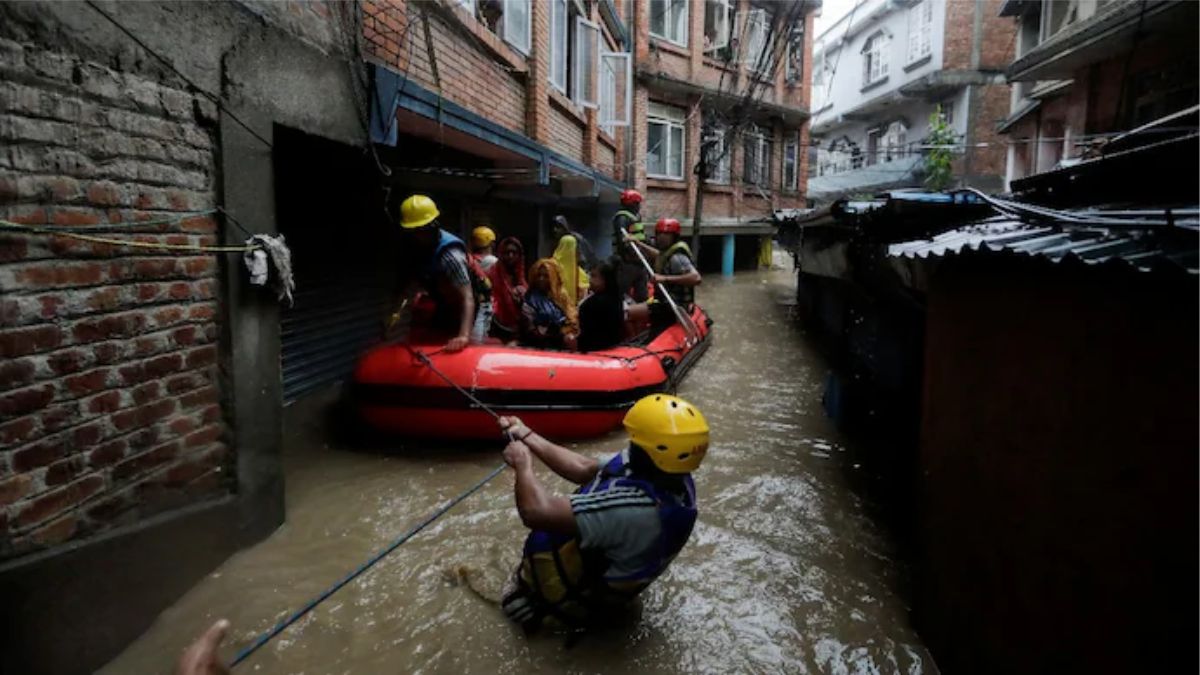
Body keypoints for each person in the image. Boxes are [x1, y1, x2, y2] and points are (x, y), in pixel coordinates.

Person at [497, 394, 709, 631]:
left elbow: (536, 512)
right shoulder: (670, 475)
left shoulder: (634, 511)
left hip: (556, 603)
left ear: (651, 453)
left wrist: (523, 464)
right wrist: (526, 434)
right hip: (596, 580)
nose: (630, 445)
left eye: (636, 441)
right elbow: (582, 468)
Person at [390, 194, 493, 352]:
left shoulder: (450, 256)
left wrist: (464, 336)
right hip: (447, 301)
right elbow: (407, 289)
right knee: (434, 339)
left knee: (470, 348)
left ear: (432, 226)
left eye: (420, 230)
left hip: (476, 301)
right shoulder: (416, 250)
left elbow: (467, 297)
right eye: (412, 231)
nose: (416, 235)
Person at [629, 217, 701, 333]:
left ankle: (633, 343)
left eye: (666, 235)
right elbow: (658, 256)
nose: (661, 238)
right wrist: (639, 244)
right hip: (664, 302)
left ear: (674, 237)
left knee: (628, 312)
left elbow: (696, 278)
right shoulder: (667, 253)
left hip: (674, 307)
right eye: (659, 234)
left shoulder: (678, 258)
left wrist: (665, 278)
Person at [521, 258, 579, 350]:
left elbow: (572, 319)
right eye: (539, 275)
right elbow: (529, 328)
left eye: (546, 276)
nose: (541, 279)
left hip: (563, 344)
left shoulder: (562, 297)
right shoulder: (530, 299)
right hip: (540, 345)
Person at [610, 189, 650, 304]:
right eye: (637, 204)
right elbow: (621, 239)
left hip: (639, 262)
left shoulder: (635, 217)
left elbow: (639, 235)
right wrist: (626, 257)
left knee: (642, 294)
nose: (639, 206)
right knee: (622, 293)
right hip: (627, 263)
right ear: (632, 204)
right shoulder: (622, 218)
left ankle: (642, 313)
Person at [576, 260, 626, 352]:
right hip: (612, 348)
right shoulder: (616, 298)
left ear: (605, 279)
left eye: (594, 276)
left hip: (593, 350)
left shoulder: (595, 303)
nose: (590, 280)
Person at [488, 236, 527, 343]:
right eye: (507, 252)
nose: (511, 256)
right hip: (496, 328)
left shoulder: (520, 276)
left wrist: (522, 298)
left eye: (514, 253)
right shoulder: (493, 273)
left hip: (518, 329)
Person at [552, 234, 589, 308]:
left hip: (553, 307)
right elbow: (583, 293)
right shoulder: (579, 272)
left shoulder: (550, 265)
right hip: (571, 309)